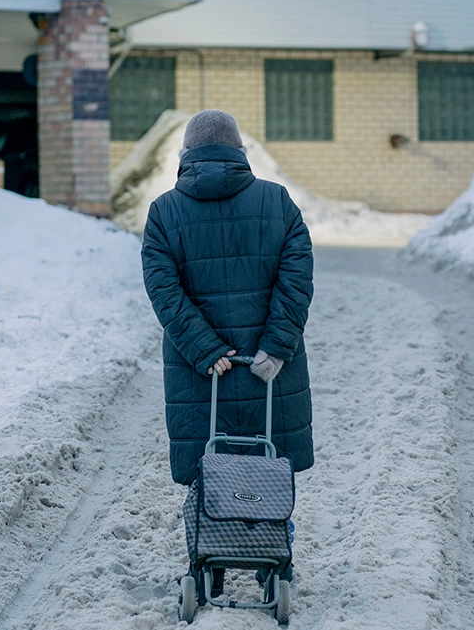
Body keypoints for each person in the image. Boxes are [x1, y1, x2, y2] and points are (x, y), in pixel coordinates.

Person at [141, 109, 315, 592]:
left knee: (207, 462)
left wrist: (204, 348)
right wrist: (277, 346)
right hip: (269, 372)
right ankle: (274, 558)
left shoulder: (164, 212)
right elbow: (296, 277)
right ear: (240, 152)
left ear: (185, 157)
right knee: (269, 461)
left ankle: (208, 560)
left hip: (201, 372)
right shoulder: (277, 203)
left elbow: (164, 290)